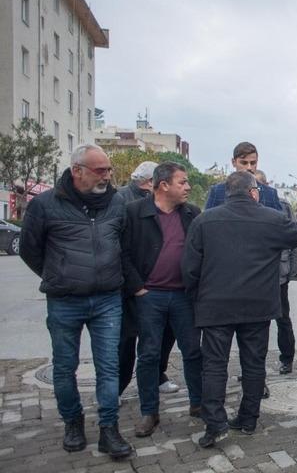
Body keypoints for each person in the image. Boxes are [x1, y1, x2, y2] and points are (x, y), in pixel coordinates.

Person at [182, 171, 297, 448]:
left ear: (227, 193)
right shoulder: (271, 219)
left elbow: (189, 268)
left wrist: (198, 296)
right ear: (254, 193)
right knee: (254, 364)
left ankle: (215, 424)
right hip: (257, 306)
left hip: (215, 306)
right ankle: (248, 419)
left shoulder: (204, 221)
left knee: (214, 366)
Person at [20, 144, 132, 459]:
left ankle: (109, 429)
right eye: (100, 170)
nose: (107, 176)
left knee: (109, 366)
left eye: (109, 170)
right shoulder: (45, 205)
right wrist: (58, 275)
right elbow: (30, 250)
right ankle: (73, 421)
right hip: (64, 300)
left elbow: (124, 245)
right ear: (77, 171)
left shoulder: (117, 203)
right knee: (64, 366)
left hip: (108, 298)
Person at [121, 162, 203, 438]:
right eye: (182, 182)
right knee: (149, 354)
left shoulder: (192, 213)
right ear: (164, 185)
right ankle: (149, 412)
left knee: (193, 351)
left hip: (183, 296)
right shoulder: (134, 212)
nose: (188, 187)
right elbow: (122, 252)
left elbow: (202, 251)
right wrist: (137, 287)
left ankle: (198, 404)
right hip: (149, 296)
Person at [205, 142, 281, 399]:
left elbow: (279, 232)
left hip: (258, 281)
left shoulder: (268, 194)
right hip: (224, 282)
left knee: (256, 349)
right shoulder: (218, 192)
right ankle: (215, 397)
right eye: (244, 163)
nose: (249, 168)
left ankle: (256, 385)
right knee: (218, 350)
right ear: (233, 163)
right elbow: (207, 231)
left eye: (253, 163)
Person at [116, 160, 181, 404]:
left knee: (164, 337)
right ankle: (117, 387)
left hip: (166, 288)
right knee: (127, 341)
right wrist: (136, 285)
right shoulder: (123, 200)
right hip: (135, 287)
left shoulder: (172, 205)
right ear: (152, 182)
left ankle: (157, 375)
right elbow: (121, 248)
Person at [254, 169, 297, 375]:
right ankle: (254, 365)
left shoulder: (282, 206)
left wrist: (293, 271)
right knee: (255, 324)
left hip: (278, 274)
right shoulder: (245, 208)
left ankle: (287, 358)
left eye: (260, 185)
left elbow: (295, 238)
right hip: (254, 275)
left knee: (282, 318)